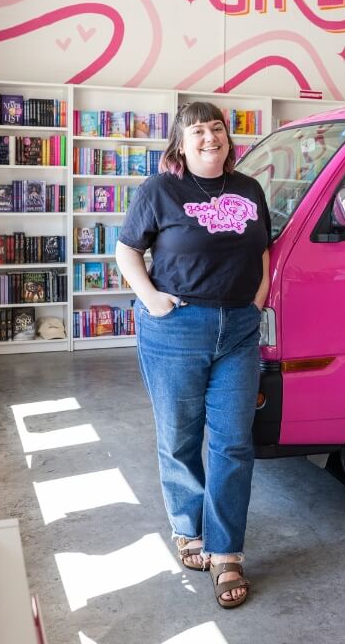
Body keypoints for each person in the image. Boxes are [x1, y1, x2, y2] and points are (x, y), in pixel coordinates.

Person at [115, 101, 270, 609]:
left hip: (240, 330)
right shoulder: (160, 190)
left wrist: (258, 300)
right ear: (180, 144)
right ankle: (189, 527)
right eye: (198, 131)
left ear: (229, 139)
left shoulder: (249, 189)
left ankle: (227, 552)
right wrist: (152, 299)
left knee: (232, 442)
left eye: (217, 129)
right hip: (177, 328)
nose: (210, 138)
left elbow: (264, 250)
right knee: (180, 436)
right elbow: (126, 249)